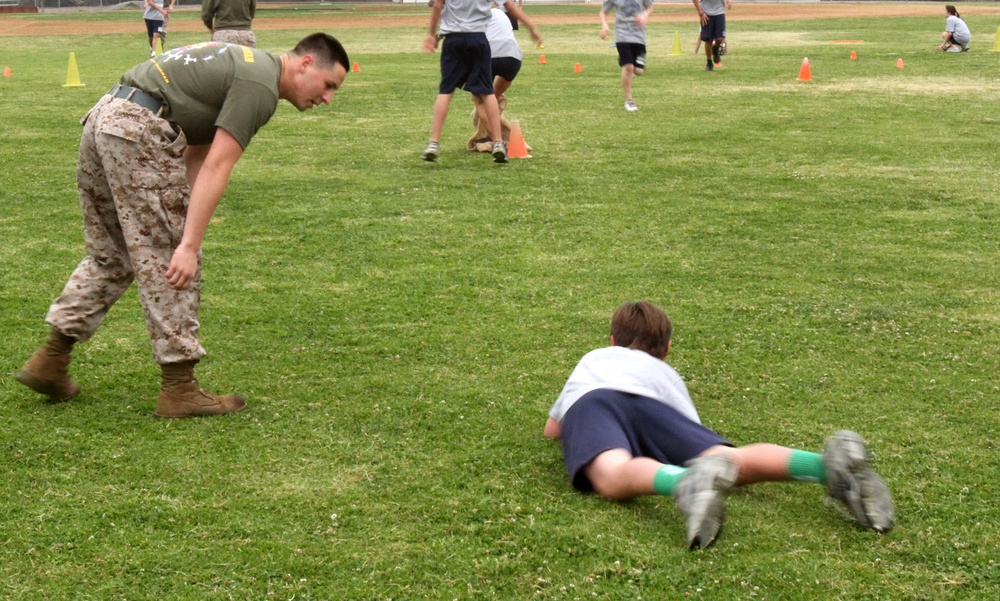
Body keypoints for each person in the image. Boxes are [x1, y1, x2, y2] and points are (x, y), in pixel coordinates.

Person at [15, 34, 350, 419]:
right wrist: (187, 243)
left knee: (112, 255)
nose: (327, 99)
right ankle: (179, 387)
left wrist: (177, 211)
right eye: (328, 86)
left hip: (105, 119)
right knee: (170, 256)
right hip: (139, 129)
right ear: (306, 63)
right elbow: (217, 166)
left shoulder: (242, 62)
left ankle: (51, 360)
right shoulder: (261, 85)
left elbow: (196, 149)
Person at [544, 301, 895, 549]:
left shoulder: (594, 359)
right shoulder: (667, 375)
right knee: (726, 460)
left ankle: (683, 483)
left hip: (594, 401)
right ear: (666, 350)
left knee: (612, 470)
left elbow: (553, 429)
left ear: (611, 343)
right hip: (656, 406)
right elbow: (695, 438)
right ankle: (823, 466)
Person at [422, 0, 511, 163]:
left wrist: (431, 34)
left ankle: (433, 143)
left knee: (446, 91)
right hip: (478, 38)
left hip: (453, 40)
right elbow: (506, 4)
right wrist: (531, 27)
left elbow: (436, 5)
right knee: (487, 91)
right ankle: (498, 142)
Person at [467, 5, 542, 153]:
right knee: (492, 98)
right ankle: (496, 136)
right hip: (513, 57)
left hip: (489, 54)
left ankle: (499, 141)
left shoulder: (476, 14)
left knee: (480, 101)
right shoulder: (502, 14)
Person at [600, 0, 653, 112]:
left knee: (638, 71)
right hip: (622, 36)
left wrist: (644, 15)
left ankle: (628, 70)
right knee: (628, 67)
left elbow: (650, 7)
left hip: (639, 37)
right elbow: (603, 12)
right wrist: (604, 25)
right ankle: (629, 100)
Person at [692, 0, 730, 71]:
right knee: (708, 40)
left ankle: (715, 48)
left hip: (719, 11)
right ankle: (709, 62)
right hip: (706, 13)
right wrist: (700, 13)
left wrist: (728, 1)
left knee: (720, 38)